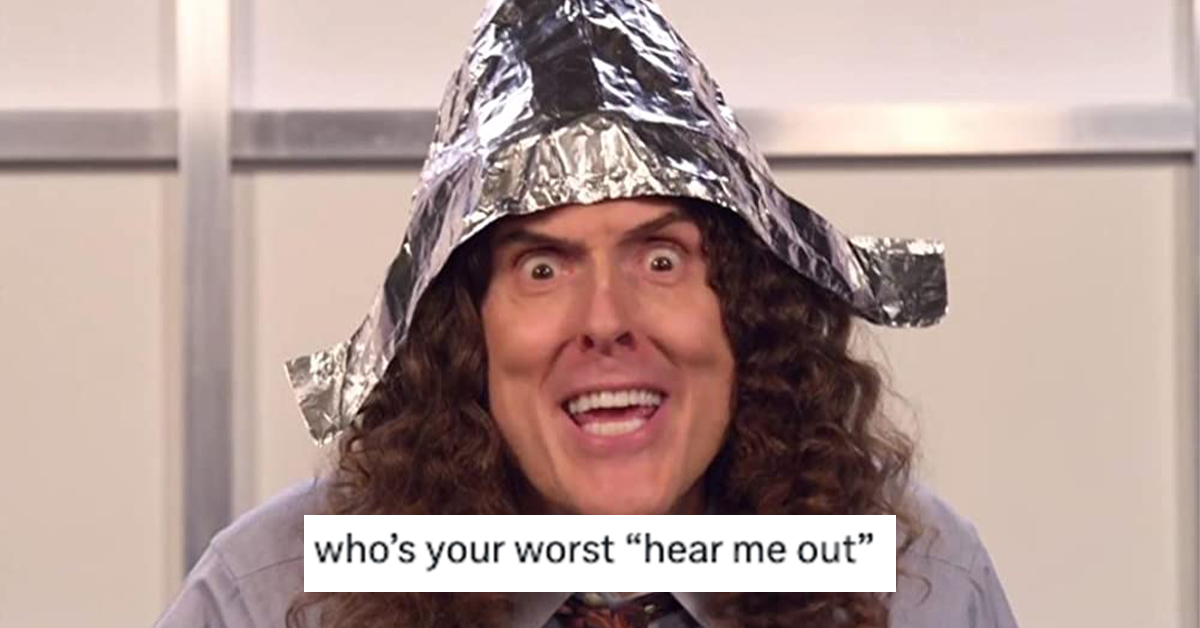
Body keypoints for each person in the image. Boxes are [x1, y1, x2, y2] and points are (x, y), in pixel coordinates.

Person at [157, 0, 1020, 626]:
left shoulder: (920, 582)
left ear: (746, 318)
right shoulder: (271, 597)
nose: (606, 319)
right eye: (542, 267)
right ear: (465, 337)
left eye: (661, 258)